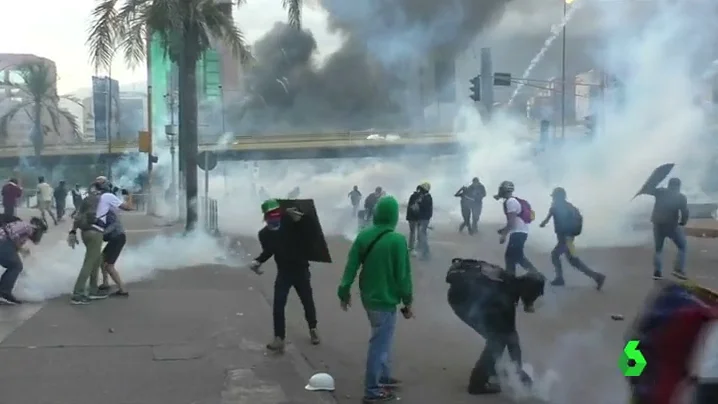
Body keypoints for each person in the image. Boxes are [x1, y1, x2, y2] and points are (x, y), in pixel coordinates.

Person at [338, 195, 413, 403]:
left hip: (368, 298)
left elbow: (350, 266)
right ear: (394, 216)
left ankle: (384, 377)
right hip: (386, 300)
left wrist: (343, 292)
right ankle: (372, 391)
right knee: (380, 344)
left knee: (383, 338)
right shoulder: (397, 240)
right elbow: (403, 276)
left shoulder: (364, 236)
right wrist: (408, 301)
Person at [446, 259, 540, 395]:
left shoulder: (509, 281)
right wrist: (518, 370)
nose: (531, 302)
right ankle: (476, 385)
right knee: (497, 340)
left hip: (466, 298)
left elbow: (511, 336)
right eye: (532, 297)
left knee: (498, 336)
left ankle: (490, 367)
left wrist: (517, 368)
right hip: (462, 302)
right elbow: (511, 337)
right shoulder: (506, 296)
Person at [249, 199, 320, 352]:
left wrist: (301, 220)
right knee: (278, 305)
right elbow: (269, 251)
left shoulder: (292, 223)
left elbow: (311, 234)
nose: (274, 218)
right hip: (284, 273)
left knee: (307, 301)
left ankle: (313, 329)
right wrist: (258, 261)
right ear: (265, 217)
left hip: (301, 270)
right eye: (270, 215)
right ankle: (279, 338)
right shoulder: (264, 234)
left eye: (276, 214)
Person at [67, 177, 133, 304]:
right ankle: (78, 294)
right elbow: (128, 207)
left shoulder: (88, 198)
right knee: (89, 263)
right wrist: (129, 195)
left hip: (85, 232)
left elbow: (78, 216)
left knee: (96, 261)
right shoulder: (108, 196)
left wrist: (73, 231)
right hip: (96, 232)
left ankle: (93, 290)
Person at [539, 187, 606, 289]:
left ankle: (560, 278)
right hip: (569, 238)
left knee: (556, 256)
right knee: (573, 261)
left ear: (558, 197)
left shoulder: (555, 207)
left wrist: (543, 224)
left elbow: (545, 221)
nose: (553, 198)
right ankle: (597, 277)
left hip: (565, 239)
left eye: (554, 196)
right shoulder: (569, 206)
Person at [494, 181, 540, 310]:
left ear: (505, 190)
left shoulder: (510, 202)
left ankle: (513, 291)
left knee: (511, 259)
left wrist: (504, 234)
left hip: (518, 233)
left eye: (501, 189)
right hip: (520, 232)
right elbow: (513, 221)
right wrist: (504, 230)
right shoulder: (512, 201)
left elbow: (512, 221)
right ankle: (533, 277)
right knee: (517, 258)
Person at [644, 177, 689, 280]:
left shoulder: (660, 191)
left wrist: (655, 180)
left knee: (658, 249)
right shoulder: (681, 197)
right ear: (678, 186)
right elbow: (685, 212)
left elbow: (649, 189)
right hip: (671, 225)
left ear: (669, 184)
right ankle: (678, 270)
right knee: (682, 246)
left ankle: (657, 272)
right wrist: (683, 222)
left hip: (657, 223)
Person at [0, 216, 48, 304]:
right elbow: (12, 237)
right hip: (3, 242)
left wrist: (22, 252)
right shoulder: (28, 227)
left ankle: (3, 291)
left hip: (3, 242)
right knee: (16, 266)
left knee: (15, 266)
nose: (40, 235)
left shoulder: (24, 230)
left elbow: (14, 241)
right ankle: (4, 293)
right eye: (41, 232)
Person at [98, 192, 130, 297]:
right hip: (115, 238)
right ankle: (105, 283)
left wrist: (102, 233)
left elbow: (114, 225)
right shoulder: (104, 210)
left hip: (117, 238)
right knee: (102, 259)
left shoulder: (108, 212)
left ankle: (122, 289)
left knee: (109, 266)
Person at [407, 182, 433, 260]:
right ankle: (421, 251)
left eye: (421, 189)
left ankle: (424, 252)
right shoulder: (422, 197)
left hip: (421, 218)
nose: (420, 191)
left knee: (421, 235)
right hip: (418, 218)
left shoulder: (426, 197)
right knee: (420, 234)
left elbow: (421, 208)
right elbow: (413, 207)